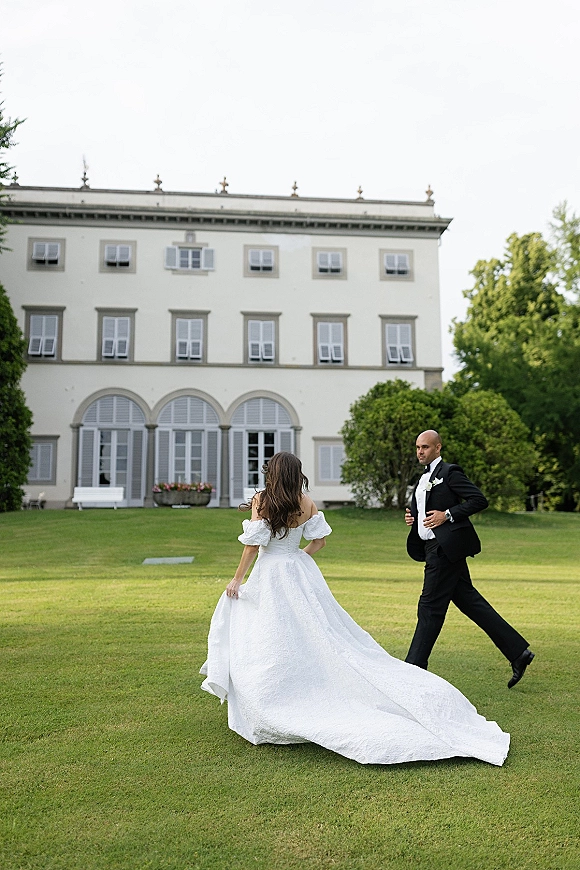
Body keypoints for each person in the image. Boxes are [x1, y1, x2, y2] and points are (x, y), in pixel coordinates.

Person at [201, 452, 510, 766]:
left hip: (271, 573)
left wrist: (237, 579)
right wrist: (297, 558)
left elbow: (253, 545)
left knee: (270, 633)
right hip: (297, 570)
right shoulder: (305, 502)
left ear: (274, 473)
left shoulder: (263, 500)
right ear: (297, 474)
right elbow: (319, 541)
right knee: (317, 631)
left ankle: (271, 698)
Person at [405, 429, 534, 688]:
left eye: (426, 447)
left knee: (429, 607)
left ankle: (412, 670)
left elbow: (478, 500)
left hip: (444, 549)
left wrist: (447, 515)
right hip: (434, 548)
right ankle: (518, 653)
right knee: (470, 602)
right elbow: (424, 510)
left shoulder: (449, 473)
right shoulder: (421, 479)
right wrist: (414, 519)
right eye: (418, 447)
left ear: (438, 448)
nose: (421, 452)